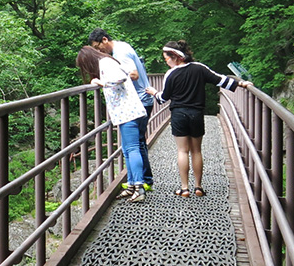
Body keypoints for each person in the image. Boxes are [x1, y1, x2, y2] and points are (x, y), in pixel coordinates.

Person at [144, 39, 251, 197]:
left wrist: (153, 92)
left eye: (166, 57)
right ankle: (198, 187)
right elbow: (220, 80)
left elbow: (162, 98)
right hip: (197, 114)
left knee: (182, 151)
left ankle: (185, 188)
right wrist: (241, 84)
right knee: (196, 151)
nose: (165, 61)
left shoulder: (171, 74)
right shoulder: (200, 68)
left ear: (175, 56)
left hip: (179, 114)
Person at [77, 44, 149, 203]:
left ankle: (139, 187)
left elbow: (120, 78)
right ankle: (132, 185)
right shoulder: (108, 61)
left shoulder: (105, 63)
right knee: (128, 150)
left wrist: (101, 83)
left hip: (128, 112)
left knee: (132, 148)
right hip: (128, 112)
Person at [88, 28, 153, 190]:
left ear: (105, 39)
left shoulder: (120, 53)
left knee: (134, 145)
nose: (98, 51)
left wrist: (105, 81)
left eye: (98, 47)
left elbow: (133, 75)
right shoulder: (121, 47)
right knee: (135, 144)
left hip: (138, 100)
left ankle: (143, 181)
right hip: (140, 100)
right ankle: (140, 181)